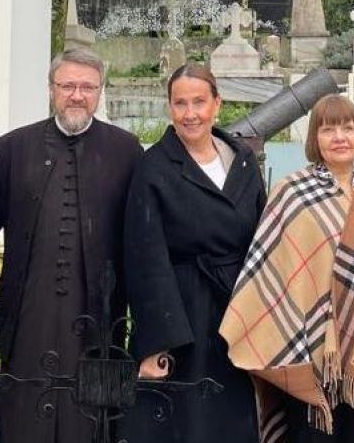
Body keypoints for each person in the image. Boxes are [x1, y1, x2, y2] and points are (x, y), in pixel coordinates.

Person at [221, 94, 354, 443]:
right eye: (328, 130)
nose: (339, 137)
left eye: (348, 128)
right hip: (310, 349)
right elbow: (269, 273)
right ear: (315, 138)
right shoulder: (292, 193)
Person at [0, 48, 142, 443]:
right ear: (51, 89)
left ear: (100, 92)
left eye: (87, 87)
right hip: (28, 312)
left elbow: (143, 240)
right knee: (24, 416)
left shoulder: (127, 150)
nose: (77, 95)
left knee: (93, 422)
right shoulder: (15, 148)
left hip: (101, 319)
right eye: (68, 85)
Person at [120, 63, 266, 443]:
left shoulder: (243, 160)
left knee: (237, 421)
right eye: (180, 103)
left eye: (199, 102)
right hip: (185, 317)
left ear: (217, 104)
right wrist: (156, 344)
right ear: (170, 107)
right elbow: (145, 258)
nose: (190, 114)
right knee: (192, 424)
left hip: (238, 312)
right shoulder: (153, 167)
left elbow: (263, 238)